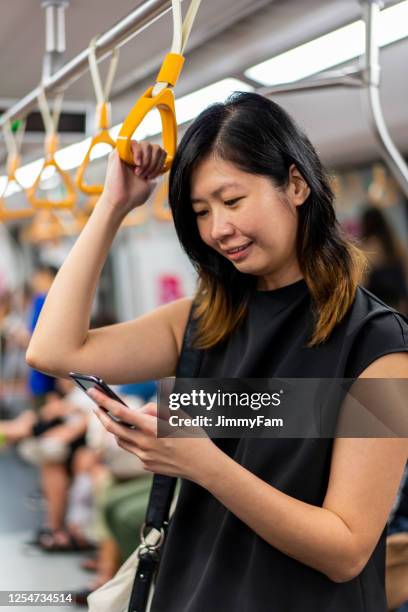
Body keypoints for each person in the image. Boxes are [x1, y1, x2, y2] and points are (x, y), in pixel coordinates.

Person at [26, 92, 408, 612]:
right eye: (201, 212)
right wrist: (113, 206)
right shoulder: (202, 321)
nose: (217, 230)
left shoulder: (379, 344)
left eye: (232, 201)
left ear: (295, 185)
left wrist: (202, 463)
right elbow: (52, 350)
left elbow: (346, 549)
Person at [359, 205, 408, 315]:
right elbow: (405, 272)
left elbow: (363, 282)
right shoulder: (396, 244)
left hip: (380, 307)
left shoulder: (369, 247)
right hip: (399, 303)